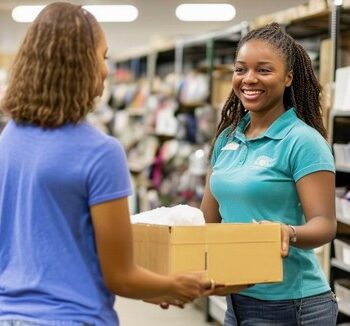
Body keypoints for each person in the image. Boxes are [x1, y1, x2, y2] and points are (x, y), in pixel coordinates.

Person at [0, 3, 214, 325]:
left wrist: (153, 288)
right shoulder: (100, 152)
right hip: (74, 317)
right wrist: (175, 284)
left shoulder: (10, 137)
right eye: (103, 56)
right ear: (80, 65)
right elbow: (121, 276)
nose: (106, 69)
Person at [200, 23, 338, 325]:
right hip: (237, 296)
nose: (249, 79)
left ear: (288, 77)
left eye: (263, 70)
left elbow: (325, 225)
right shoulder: (227, 138)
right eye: (241, 69)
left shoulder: (303, 141)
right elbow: (208, 220)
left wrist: (288, 231)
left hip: (293, 304)